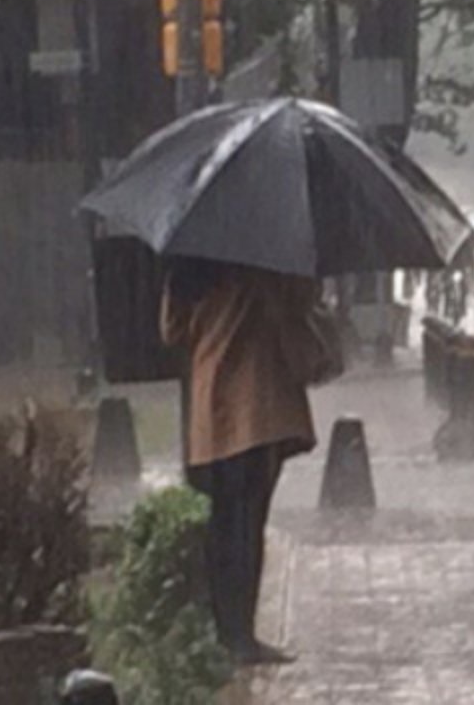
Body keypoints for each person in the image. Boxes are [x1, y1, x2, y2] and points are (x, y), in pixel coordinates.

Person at [160, 258, 326, 666]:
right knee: (248, 523)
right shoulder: (268, 259)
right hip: (258, 406)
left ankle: (225, 631)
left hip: (211, 403)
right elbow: (300, 305)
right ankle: (242, 636)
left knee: (222, 521)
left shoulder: (189, 268)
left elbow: (171, 332)